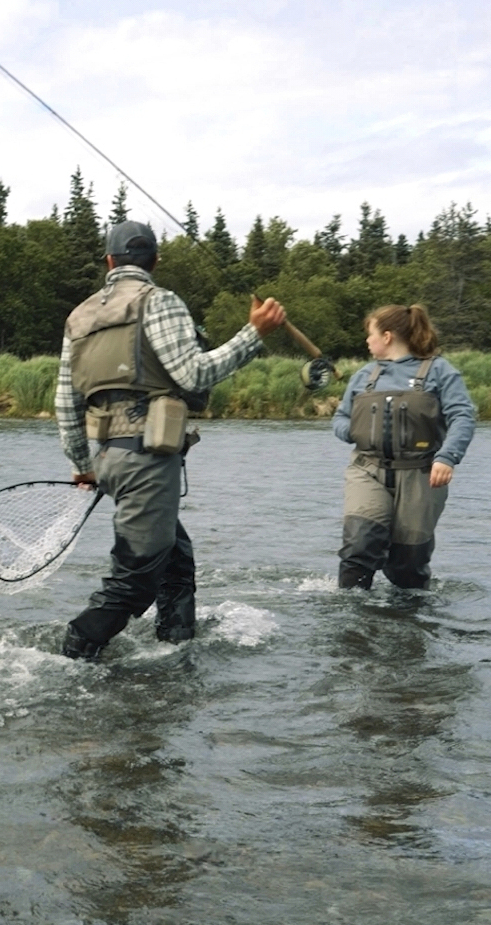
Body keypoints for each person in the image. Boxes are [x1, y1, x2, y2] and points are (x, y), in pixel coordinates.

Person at [54, 220, 286, 661]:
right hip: (146, 460)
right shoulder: (161, 302)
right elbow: (193, 374)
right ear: (155, 261)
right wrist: (253, 333)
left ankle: (176, 647)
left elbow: (66, 402)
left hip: (108, 459)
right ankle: (75, 650)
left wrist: (83, 463)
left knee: (174, 558)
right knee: (136, 576)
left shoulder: (78, 316)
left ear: (108, 262)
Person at [331, 304, 475, 590]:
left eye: (369, 334)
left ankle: (407, 620)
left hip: (421, 474)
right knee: (359, 546)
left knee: (407, 564)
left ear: (387, 336)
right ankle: (349, 619)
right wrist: (356, 432)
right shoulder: (363, 376)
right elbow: (340, 419)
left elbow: (463, 416)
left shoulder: (441, 371)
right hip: (366, 470)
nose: (366, 341)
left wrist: (447, 458)